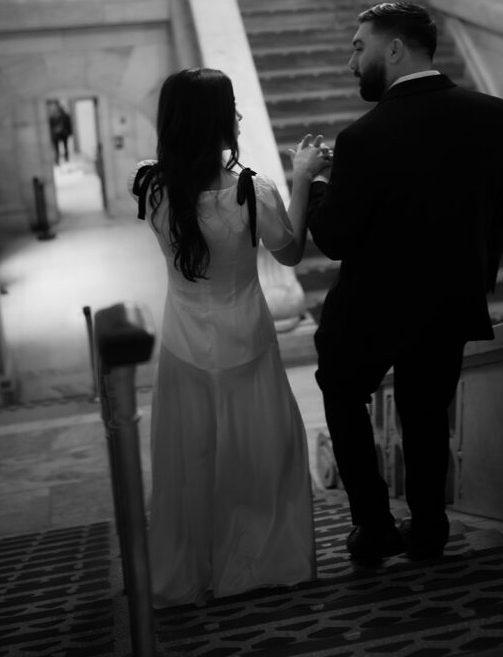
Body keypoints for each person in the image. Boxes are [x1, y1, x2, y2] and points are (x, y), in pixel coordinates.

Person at [304, 1, 503, 564]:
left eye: (359, 46)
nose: (352, 61)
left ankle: (373, 524)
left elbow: (333, 239)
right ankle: (428, 529)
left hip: (369, 311)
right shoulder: (493, 113)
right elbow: (501, 212)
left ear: (394, 49)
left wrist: (323, 183)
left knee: (343, 394)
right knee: (427, 420)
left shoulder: (363, 139)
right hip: (449, 304)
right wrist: (477, 281)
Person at [129, 68, 329, 607]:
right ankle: (262, 559)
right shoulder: (250, 189)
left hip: (183, 342)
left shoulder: (149, 186)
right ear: (215, 120)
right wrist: (303, 176)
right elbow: (288, 251)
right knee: (262, 455)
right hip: (248, 339)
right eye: (232, 107)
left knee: (191, 460)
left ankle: (196, 563)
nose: (239, 115)